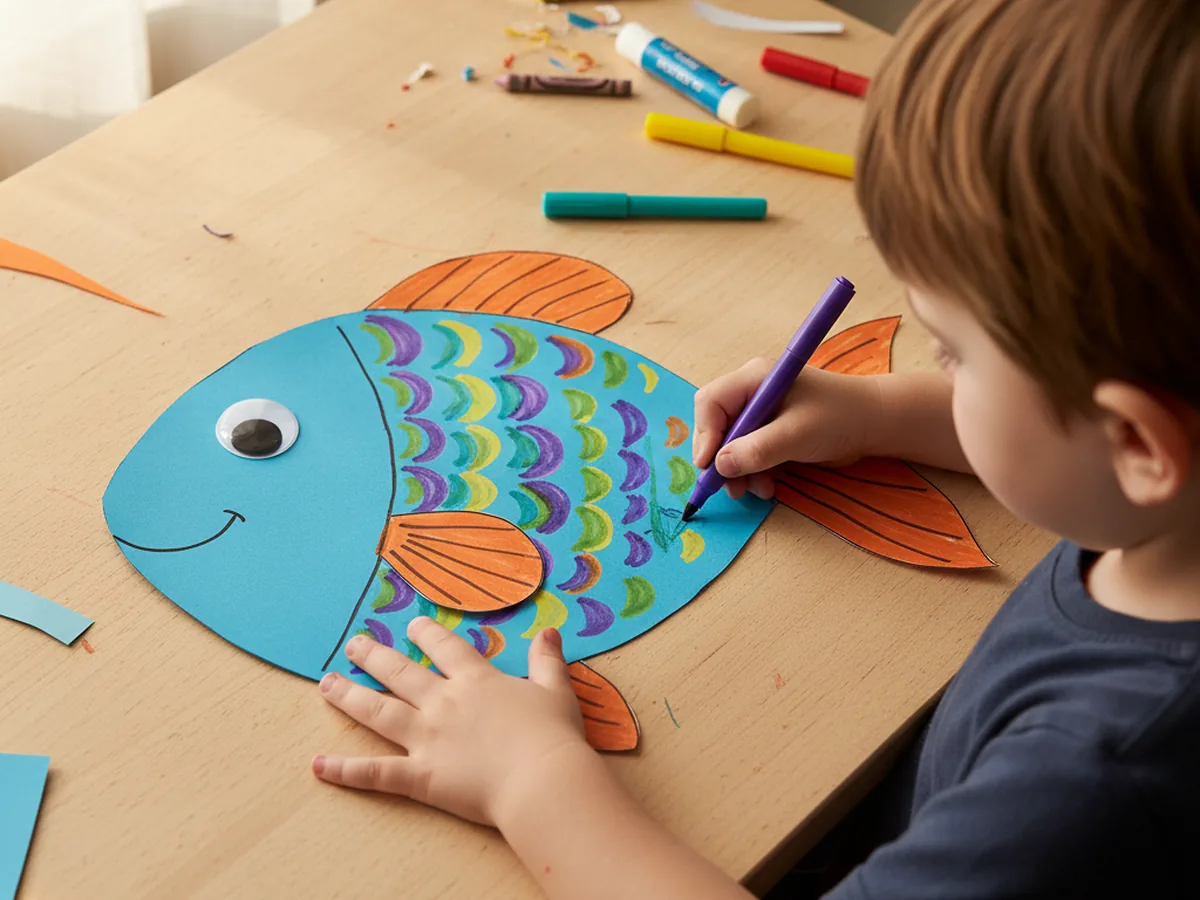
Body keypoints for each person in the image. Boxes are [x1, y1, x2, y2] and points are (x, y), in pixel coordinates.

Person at [308, 0, 1200, 895]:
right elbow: (1076, 441)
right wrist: (883, 410)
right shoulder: (1163, 516)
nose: (938, 371)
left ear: (1137, 442)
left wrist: (532, 780)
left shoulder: (1088, 786)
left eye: (952, 353)